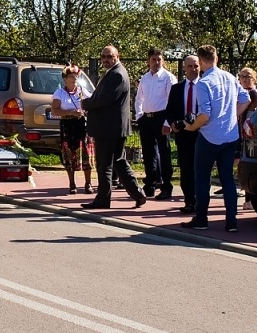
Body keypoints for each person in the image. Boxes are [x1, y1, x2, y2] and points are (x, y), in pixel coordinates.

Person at [185, 45, 250, 232]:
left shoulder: (204, 83)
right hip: (230, 135)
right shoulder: (230, 77)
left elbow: (205, 114)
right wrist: (233, 115)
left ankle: (201, 218)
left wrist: (192, 127)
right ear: (217, 58)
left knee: (202, 178)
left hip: (209, 135)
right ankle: (231, 221)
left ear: (201, 61)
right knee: (227, 178)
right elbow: (245, 99)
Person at [81, 45, 144, 210]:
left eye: (110, 56)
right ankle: (138, 194)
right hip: (112, 127)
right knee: (118, 161)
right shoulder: (114, 73)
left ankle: (103, 198)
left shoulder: (117, 74)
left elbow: (105, 99)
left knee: (104, 165)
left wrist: (85, 103)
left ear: (118, 56)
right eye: (104, 57)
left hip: (109, 128)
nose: (106, 60)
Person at [133, 47, 176, 200]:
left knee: (164, 152)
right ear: (148, 61)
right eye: (154, 59)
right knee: (149, 152)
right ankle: (150, 184)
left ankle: (166, 186)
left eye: (159, 59)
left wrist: (167, 121)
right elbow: (139, 99)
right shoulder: (145, 78)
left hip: (161, 117)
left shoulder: (168, 78)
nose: (157, 62)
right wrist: (139, 116)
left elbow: (173, 101)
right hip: (147, 118)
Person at [162, 55, 201, 214]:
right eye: (190, 66)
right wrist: (172, 124)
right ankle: (189, 201)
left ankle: (200, 201)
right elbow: (169, 110)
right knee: (186, 169)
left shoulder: (205, 86)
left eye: (196, 66)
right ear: (185, 68)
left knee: (199, 168)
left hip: (202, 133)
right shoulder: (177, 88)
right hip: (183, 133)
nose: (193, 69)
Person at [51, 65, 95, 194]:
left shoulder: (82, 90)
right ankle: (72, 184)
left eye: (76, 76)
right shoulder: (59, 93)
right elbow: (55, 110)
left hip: (82, 126)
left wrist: (85, 111)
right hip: (68, 126)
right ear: (65, 79)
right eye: (71, 76)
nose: (74, 79)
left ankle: (88, 183)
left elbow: (91, 103)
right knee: (69, 154)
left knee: (86, 153)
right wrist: (71, 112)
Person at [236, 67, 257, 148]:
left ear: (254, 79)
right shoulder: (236, 93)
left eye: (248, 76)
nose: (244, 79)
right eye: (242, 76)